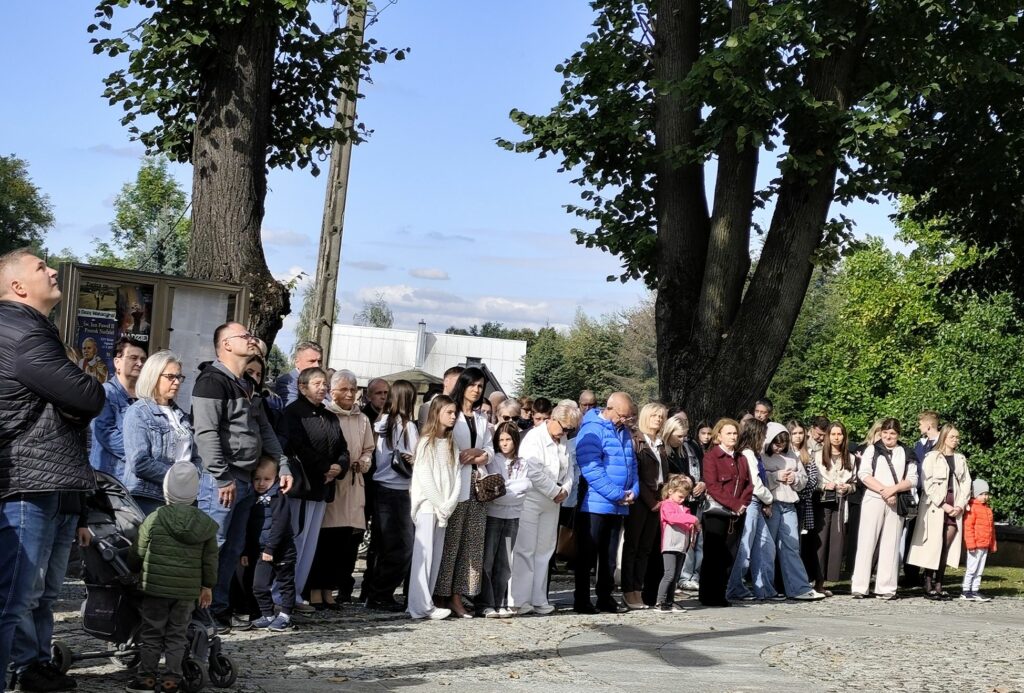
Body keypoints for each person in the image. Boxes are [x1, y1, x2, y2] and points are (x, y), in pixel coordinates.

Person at [1, 249, 106, 692]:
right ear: (18, 286)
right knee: (12, 600)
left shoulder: (29, 329)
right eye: (40, 267)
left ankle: (33, 665)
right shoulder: (23, 332)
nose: (52, 270)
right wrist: (74, 400)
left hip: (46, 481)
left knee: (36, 594)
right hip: (27, 482)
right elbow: (89, 395)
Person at [192, 321, 292, 631]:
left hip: (246, 479)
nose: (251, 339)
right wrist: (222, 477)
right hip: (221, 480)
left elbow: (264, 429)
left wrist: (282, 463)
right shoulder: (211, 381)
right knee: (214, 546)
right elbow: (206, 433)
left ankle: (219, 610)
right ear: (225, 345)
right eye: (244, 335)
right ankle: (198, 613)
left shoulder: (247, 384)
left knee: (233, 549)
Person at [127, 461, 217, 693]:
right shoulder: (206, 525)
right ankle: (171, 680)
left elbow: (138, 551)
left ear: (165, 490)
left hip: (155, 588)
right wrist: (207, 586)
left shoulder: (154, 518)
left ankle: (146, 679)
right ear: (196, 492)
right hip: (186, 593)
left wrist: (133, 570)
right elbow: (209, 561)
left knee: (151, 633)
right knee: (177, 635)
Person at [280, 367, 349, 609]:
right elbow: (298, 446)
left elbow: (342, 447)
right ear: (302, 387)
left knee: (309, 544)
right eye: (317, 383)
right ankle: (283, 594)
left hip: (322, 488)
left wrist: (339, 467)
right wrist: (324, 468)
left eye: (325, 384)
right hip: (303, 486)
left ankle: (297, 593)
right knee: (295, 540)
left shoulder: (329, 416)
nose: (323, 388)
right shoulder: (293, 413)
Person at [573, 392, 638, 614]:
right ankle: (582, 600)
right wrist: (616, 493)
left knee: (609, 556)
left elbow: (632, 465)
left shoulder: (624, 432)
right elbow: (592, 469)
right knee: (588, 554)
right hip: (594, 504)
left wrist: (633, 491)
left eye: (628, 417)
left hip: (619, 504)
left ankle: (605, 597)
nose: (625, 420)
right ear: (609, 409)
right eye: (623, 415)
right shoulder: (592, 430)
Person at [435, 367, 492, 618]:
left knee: (471, 545)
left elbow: (490, 448)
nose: (477, 390)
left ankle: (459, 596)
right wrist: (462, 456)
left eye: (480, 386)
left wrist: (481, 455)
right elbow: (441, 443)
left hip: (477, 486)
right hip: (454, 484)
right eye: (472, 385)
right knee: (451, 542)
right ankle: (440, 593)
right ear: (463, 386)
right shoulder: (451, 413)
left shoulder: (481, 419)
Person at [511, 404, 578, 615]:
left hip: (553, 501)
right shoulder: (534, 437)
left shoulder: (562, 440)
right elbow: (532, 469)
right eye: (564, 428)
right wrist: (554, 490)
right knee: (525, 549)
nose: (565, 433)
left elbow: (569, 469)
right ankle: (520, 599)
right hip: (531, 499)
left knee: (545, 549)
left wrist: (565, 489)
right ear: (553, 419)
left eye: (569, 430)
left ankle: (539, 597)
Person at [123, 350, 201, 516]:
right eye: (170, 377)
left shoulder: (181, 415)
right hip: (149, 497)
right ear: (153, 377)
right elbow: (139, 462)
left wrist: (193, 476)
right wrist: (178, 477)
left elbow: (195, 457)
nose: (177, 382)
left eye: (179, 377)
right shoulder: (138, 412)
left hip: (183, 498)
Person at [320, 369, 374, 605]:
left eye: (353, 389)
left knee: (348, 541)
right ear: (333, 392)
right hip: (334, 483)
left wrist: (363, 462)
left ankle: (340, 586)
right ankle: (321, 589)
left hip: (354, 484)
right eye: (344, 389)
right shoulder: (326, 414)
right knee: (327, 540)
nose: (350, 394)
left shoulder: (363, 419)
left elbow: (369, 449)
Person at [364, 380, 419, 612]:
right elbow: (416, 456)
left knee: (382, 544)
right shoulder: (408, 426)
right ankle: (381, 594)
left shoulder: (381, 422)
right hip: (398, 489)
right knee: (403, 547)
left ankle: (373, 592)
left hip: (379, 486)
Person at [850, 418, 918, 600]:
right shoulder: (872, 450)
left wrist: (893, 490)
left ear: (898, 435)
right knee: (866, 541)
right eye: (885, 433)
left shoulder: (906, 452)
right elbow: (864, 474)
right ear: (880, 433)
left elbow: (913, 478)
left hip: (895, 500)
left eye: (892, 433)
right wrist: (883, 491)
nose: (888, 436)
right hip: (874, 499)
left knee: (891, 543)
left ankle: (886, 587)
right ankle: (860, 586)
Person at [407, 396, 460, 620]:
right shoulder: (426, 443)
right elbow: (425, 478)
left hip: (444, 508)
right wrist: (440, 504)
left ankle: (426, 601)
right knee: (424, 556)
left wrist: (449, 504)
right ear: (437, 413)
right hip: (429, 506)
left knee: (435, 556)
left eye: (455, 412)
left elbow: (456, 476)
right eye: (449, 412)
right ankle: (419, 605)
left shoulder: (451, 444)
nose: (453, 416)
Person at [907, 424, 971, 600]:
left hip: (954, 505)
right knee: (934, 544)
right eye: (952, 437)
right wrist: (942, 504)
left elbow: (966, 483)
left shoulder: (960, 459)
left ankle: (939, 582)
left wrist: (960, 505)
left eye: (957, 437)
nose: (955, 440)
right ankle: (928, 582)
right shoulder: (932, 457)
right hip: (935, 507)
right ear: (944, 437)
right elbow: (927, 483)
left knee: (946, 546)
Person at [762, 423, 824, 600]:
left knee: (792, 546)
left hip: (790, 504)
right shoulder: (762, 455)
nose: (779, 448)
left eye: (783, 445)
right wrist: (776, 476)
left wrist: (795, 478)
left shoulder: (792, 455)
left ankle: (799, 588)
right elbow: (757, 479)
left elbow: (804, 479)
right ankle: (766, 588)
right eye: (776, 445)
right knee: (767, 548)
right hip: (771, 504)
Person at [699, 418, 752, 608]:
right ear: (719, 436)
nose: (733, 436)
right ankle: (707, 595)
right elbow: (712, 486)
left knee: (729, 555)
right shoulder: (711, 457)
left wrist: (742, 504)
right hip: (717, 513)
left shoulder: (741, 458)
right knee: (713, 554)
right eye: (728, 433)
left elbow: (748, 485)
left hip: (736, 515)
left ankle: (720, 593)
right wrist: (734, 504)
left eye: (735, 433)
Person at [479, 422, 529, 618]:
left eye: (508, 439)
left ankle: (501, 601)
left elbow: (522, 490)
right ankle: (486, 603)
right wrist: (510, 489)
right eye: (501, 440)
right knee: (488, 560)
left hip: (513, 517)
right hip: (493, 516)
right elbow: (493, 492)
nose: (504, 443)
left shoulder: (523, 463)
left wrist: (505, 489)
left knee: (505, 561)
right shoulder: (494, 461)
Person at [621, 402, 668, 610]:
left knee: (646, 548)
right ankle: (628, 590)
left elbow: (663, 474)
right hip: (640, 500)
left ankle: (638, 589)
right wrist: (651, 502)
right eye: (654, 415)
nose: (658, 419)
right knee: (633, 546)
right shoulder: (636, 440)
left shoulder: (660, 443)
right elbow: (636, 474)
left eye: (661, 416)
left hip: (658, 498)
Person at [726, 419, 776, 601]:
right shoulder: (747, 454)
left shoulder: (754, 455)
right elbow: (755, 483)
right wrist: (769, 499)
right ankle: (735, 587)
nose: (764, 440)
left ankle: (764, 588)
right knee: (745, 547)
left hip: (757, 503)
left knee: (765, 546)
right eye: (763, 436)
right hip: (751, 503)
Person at [250, 457, 296, 631]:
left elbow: (280, 524)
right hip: (262, 550)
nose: (261, 483)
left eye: (267, 479)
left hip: (282, 549)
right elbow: (250, 527)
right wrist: (247, 551)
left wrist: (271, 547)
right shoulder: (252, 497)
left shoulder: (278, 496)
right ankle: (267, 614)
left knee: (285, 583)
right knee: (259, 585)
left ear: (276, 478)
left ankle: (285, 615)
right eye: (257, 479)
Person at [90, 337, 147, 478]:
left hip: (137, 477)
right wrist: (143, 455)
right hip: (111, 477)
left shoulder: (146, 398)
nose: (139, 363)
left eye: (143, 359)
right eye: (133, 358)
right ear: (117, 362)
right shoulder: (106, 393)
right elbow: (107, 434)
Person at [661, 414, 705, 592]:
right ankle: (667, 583)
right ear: (669, 433)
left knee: (685, 543)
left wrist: (696, 482)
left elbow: (689, 473)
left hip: (684, 498)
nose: (682, 440)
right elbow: (664, 476)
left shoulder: (682, 450)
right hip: (668, 501)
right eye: (679, 436)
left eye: (684, 436)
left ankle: (675, 580)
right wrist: (677, 478)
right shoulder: (663, 451)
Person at [813, 421, 856, 594]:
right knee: (821, 541)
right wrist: (824, 485)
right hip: (822, 502)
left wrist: (848, 487)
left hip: (840, 502)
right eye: (833, 434)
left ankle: (826, 581)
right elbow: (812, 480)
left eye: (839, 434)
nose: (836, 438)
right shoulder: (817, 456)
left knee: (836, 541)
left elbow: (855, 483)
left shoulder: (851, 458)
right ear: (828, 436)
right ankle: (816, 581)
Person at [655, 474, 699, 613]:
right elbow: (672, 518)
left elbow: (685, 524)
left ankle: (670, 601)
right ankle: (660, 601)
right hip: (670, 545)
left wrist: (693, 529)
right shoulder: (667, 505)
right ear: (670, 492)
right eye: (680, 496)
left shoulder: (683, 508)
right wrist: (692, 519)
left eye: (685, 497)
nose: (682, 499)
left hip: (681, 546)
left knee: (675, 576)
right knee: (669, 574)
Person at [787, 419, 822, 587]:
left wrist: (802, 490)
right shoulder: (785, 453)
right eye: (794, 433)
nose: (798, 436)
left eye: (801, 433)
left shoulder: (807, 454)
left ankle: (803, 579)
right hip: (787, 500)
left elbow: (814, 479)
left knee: (803, 542)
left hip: (804, 501)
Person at [961, 479, 995, 602]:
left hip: (984, 545)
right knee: (972, 568)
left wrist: (992, 545)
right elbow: (968, 528)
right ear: (975, 494)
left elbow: (991, 530)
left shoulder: (988, 510)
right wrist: (971, 544)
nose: (985, 497)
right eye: (981, 494)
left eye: (986, 494)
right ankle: (966, 590)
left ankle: (975, 590)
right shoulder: (972, 508)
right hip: (975, 545)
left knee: (979, 570)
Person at [273, 341, 324, 406]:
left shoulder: (323, 382)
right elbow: (293, 408)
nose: (317, 365)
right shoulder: (286, 382)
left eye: (319, 361)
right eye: (312, 361)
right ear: (297, 362)